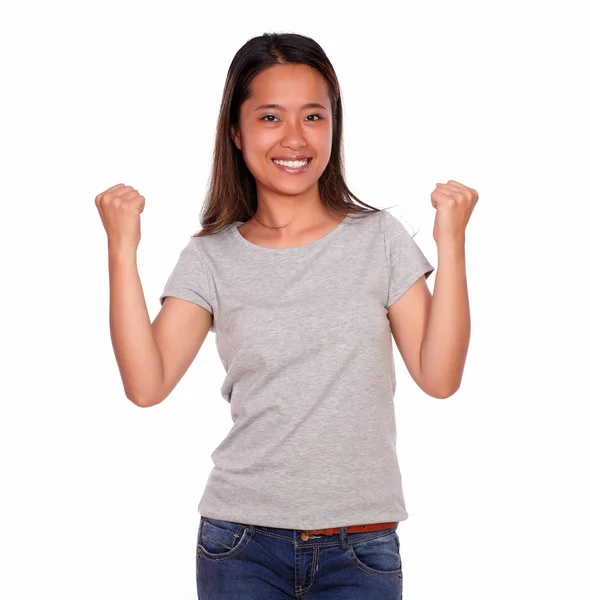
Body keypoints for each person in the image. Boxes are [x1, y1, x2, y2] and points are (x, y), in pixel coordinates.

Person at [96, 31, 477, 600]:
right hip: (240, 546)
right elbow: (146, 385)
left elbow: (439, 378)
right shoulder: (212, 256)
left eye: (313, 117)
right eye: (271, 117)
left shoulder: (380, 240)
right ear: (237, 130)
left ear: (333, 126)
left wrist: (452, 245)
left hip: (362, 547)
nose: (295, 138)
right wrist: (121, 251)